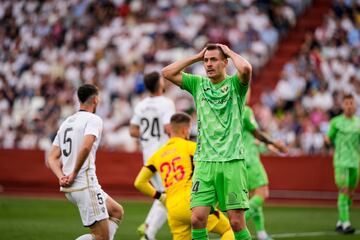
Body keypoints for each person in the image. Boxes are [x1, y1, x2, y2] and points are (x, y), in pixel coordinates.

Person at [162, 43, 252, 240]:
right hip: (204, 163)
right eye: (206, 61)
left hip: (232, 162)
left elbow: (246, 68)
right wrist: (196, 57)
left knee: (236, 222)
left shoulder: (235, 85)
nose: (208, 64)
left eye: (213, 60)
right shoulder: (198, 84)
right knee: (197, 219)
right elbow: (167, 72)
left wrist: (228, 51)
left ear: (225, 63)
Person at [134, 112, 234, 240]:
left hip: (172, 208)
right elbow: (209, 171)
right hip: (193, 202)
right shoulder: (191, 147)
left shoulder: (157, 155)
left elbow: (139, 182)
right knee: (227, 229)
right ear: (185, 130)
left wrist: (161, 197)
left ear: (170, 129)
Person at [47, 84, 124, 240]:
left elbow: (52, 157)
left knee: (117, 211)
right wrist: (74, 173)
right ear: (95, 99)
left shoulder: (67, 122)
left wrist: (61, 176)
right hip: (85, 184)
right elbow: (86, 146)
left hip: (71, 187)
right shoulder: (93, 119)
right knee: (101, 237)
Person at [129, 71, 176, 239]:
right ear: (160, 84)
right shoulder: (166, 103)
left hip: (148, 154)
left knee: (163, 193)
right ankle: (149, 232)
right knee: (169, 194)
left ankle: (147, 226)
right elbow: (168, 128)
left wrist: (148, 133)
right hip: (163, 154)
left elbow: (133, 131)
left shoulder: (141, 105)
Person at [242, 103, 287, 240]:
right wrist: (276, 146)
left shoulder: (230, 114)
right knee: (262, 193)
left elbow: (259, 144)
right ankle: (235, 223)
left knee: (253, 197)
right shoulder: (245, 111)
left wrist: (272, 147)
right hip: (251, 161)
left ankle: (261, 233)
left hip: (240, 163)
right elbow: (258, 136)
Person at [325, 94, 360, 234]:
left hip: (355, 163)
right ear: (342, 105)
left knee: (350, 193)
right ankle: (346, 223)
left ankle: (340, 220)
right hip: (340, 162)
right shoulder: (336, 122)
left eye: (351, 103)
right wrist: (333, 145)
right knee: (344, 190)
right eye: (346, 103)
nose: (349, 105)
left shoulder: (358, 123)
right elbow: (328, 138)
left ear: (355, 105)